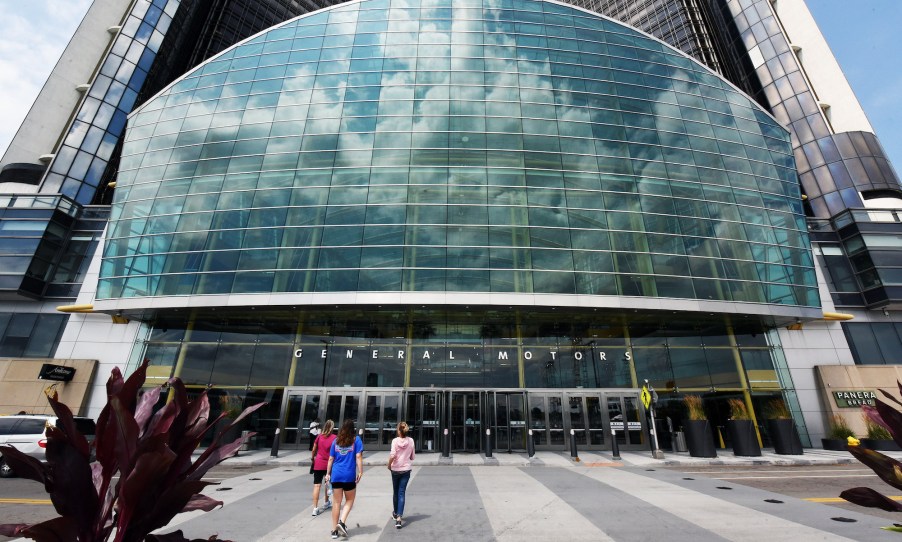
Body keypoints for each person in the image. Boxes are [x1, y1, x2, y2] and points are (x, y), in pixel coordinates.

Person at [325, 419, 363, 539]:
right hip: (349, 475)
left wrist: (327, 474)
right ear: (353, 429)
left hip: (336, 475)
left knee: (336, 502)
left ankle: (334, 531)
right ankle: (341, 522)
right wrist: (361, 471)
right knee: (350, 500)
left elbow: (331, 458)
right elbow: (358, 456)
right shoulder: (356, 440)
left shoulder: (336, 441)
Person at [387, 421, 415, 529]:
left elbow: (393, 455)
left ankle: (395, 513)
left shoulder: (394, 441)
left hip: (395, 470)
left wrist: (389, 465)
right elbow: (412, 457)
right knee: (401, 493)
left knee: (396, 492)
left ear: (399, 430)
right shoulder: (411, 441)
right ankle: (399, 518)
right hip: (406, 470)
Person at [310, 419, 336, 516]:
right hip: (329, 464)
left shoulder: (319, 437)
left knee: (317, 485)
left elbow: (313, 449)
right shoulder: (334, 438)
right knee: (327, 482)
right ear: (332, 428)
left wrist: (313, 458)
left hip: (318, 463)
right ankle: (326, 502)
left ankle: (315, 508)